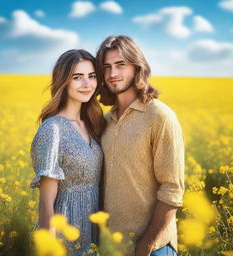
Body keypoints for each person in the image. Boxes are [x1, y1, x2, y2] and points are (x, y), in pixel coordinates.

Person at [96, 35, 185, 256]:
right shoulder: (105, 121)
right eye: (106, 67)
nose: (112, 74)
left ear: (137, 67)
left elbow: (172, 190)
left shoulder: (160, 116)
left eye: (120, 65)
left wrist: (145, 246)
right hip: (113, 246)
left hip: (154, 248)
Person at [30, 49, 104, 255]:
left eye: (92, 76)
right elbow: (45, 202)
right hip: (64, 232)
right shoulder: (52, 129)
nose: (87, 84)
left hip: (92, 230)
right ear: (63, 81)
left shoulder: (92, 124)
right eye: (77, 78)